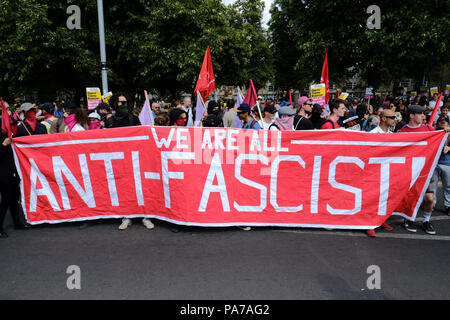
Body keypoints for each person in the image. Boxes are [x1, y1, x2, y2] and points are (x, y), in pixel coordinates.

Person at [104, 93, 153, 231]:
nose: (124, 105)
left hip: (136, 160)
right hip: (119, 162)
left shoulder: (134, 119)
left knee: (140, 188)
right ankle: (127, 217)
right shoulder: (110, 121)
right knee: (124, 189)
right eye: (121, 102)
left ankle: (145, 216)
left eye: (125, 102)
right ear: (114, 104)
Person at [398, 104, 438, 234]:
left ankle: (426, 221)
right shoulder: (401, 132)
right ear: (411, 115)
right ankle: (408, 220)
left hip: (427, 171)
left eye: (424, 114)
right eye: (420, 114)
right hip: (410, 171)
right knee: (410, 197)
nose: (423, 116)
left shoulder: (429, 129)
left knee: (429, 199)